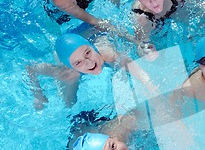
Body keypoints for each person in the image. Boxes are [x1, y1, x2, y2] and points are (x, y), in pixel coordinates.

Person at [27, 33, 158, 110]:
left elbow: (133, 67)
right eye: (78, 62)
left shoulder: (107, 54)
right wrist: (38, 95)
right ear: (72, 66)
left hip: (90, 33)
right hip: (68, 58)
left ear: (92, 47)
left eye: (88, 53)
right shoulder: (66, 72)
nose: (89, 63)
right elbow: (30, 68)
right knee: (69, 103)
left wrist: (151, 86)